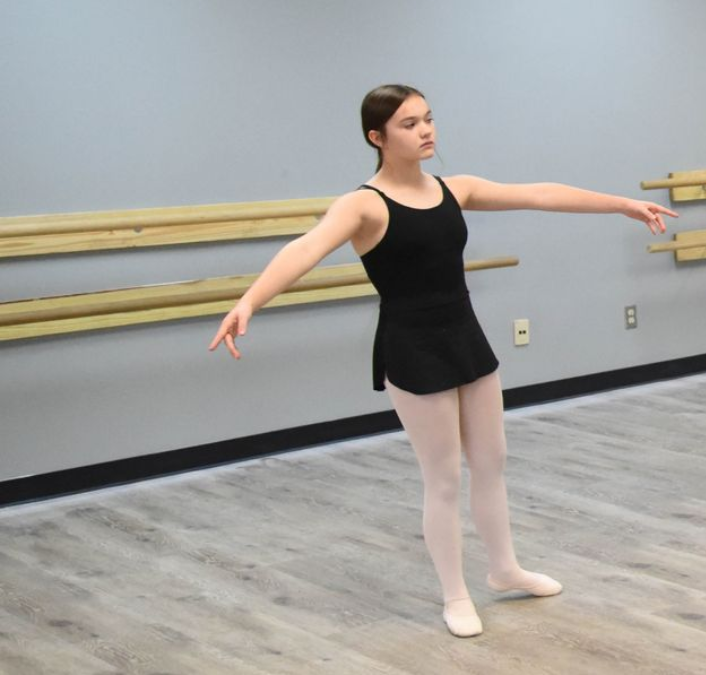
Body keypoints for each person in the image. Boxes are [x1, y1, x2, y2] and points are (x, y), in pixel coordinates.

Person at [209, 84, 676, 637]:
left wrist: (621, 203)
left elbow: (539, 193)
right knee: (443, 477)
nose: (426, 130)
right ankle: (455, 595)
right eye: (409, 124)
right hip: (412, 344)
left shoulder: (455, 188)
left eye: (428, 119)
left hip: (464, 334)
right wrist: (250, 301)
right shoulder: (363, 204)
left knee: (492, 461)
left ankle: (504, 569)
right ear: (376, 137)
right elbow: (304, 249)